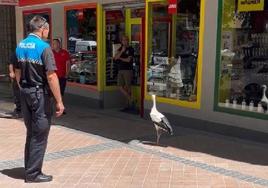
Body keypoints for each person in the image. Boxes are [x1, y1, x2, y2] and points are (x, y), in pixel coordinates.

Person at [15, 15, 64, 183]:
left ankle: (29, 168)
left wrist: (23, 89)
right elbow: (51, 76)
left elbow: (17, 72)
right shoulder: (44, 47)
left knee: (31, 132)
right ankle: (33, 174)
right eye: (47, 31)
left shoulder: (20, 45)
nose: (48, 34)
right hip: (39, 95)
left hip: (25, 92)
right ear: (43, 29)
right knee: (40, 134)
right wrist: (59, 101)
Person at [114, 35, 135, 110]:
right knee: (120, 86)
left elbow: (128, 60)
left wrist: (120, 58)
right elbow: (115, 58)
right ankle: (131, 99)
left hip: (128, 70)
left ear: (128, 41)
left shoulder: (131, 49)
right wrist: (122, 51)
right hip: (120, 70)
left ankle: (128, 105)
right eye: (123, 40)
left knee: (128, 87)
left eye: (126, 40)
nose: (124, 41)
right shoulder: (120, 48)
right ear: (121, 41)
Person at [52, 38, 70, 114]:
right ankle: (53, 107)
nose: (53, 45)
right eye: (52, 44)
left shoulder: (65, 53)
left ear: (59, 44)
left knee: (61, 93)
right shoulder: (51, 53)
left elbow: (68, 63)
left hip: (62, 76)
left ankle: (60, 108)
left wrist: (67, 73)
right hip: (53, 76)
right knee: (53, 92)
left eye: (55, 43)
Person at [8, 53, 22, 118]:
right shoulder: (15, 54)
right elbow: (11, 64)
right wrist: (11, 72)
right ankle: (19, 110)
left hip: (24, 76)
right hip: (16, 77)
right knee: (17, 93)